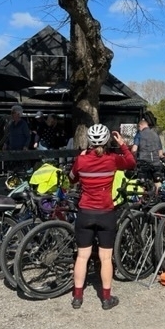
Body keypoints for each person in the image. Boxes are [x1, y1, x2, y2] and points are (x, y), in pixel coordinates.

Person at [69, 124, 136, 310]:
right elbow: (131, 162)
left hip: (85, 212)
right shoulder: (112, 160)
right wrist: (122, 144)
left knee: (82, 256)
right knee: (106, 258)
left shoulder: (81, 161)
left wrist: (80, 159)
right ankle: (106, 298)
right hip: (106, 212)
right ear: (107, 140)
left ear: (89, 141)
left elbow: (71, 178)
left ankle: (77, 297)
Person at [132, 118, 164, 191]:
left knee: (142, 184)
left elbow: (134, 149)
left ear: (140, 125)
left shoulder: (139, 134)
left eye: (139, 127)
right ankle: (158, 198)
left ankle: (143, 199)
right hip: (156, 163)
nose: (139, 129)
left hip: (143, 163)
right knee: (157, 181)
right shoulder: (156, 135)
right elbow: (160, 153)